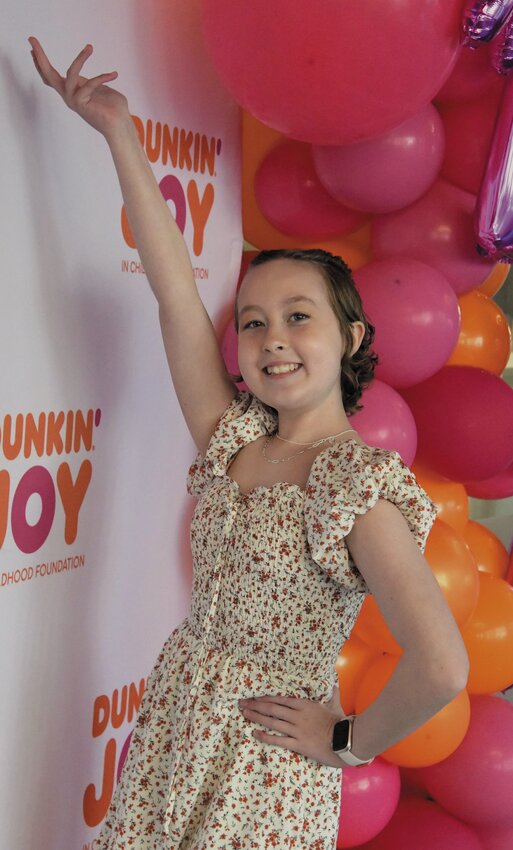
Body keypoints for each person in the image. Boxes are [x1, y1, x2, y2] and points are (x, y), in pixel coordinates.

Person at [28, 38, 470, 850]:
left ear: (351, 334)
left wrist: (349, 743)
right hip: (175, 730)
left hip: (261, 771)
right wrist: (120, 131)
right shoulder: (230, 437)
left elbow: (441, 663)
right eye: (255, 321)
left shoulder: (352, 485)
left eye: (298, 316)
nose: (272, 339)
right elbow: (173, 294)